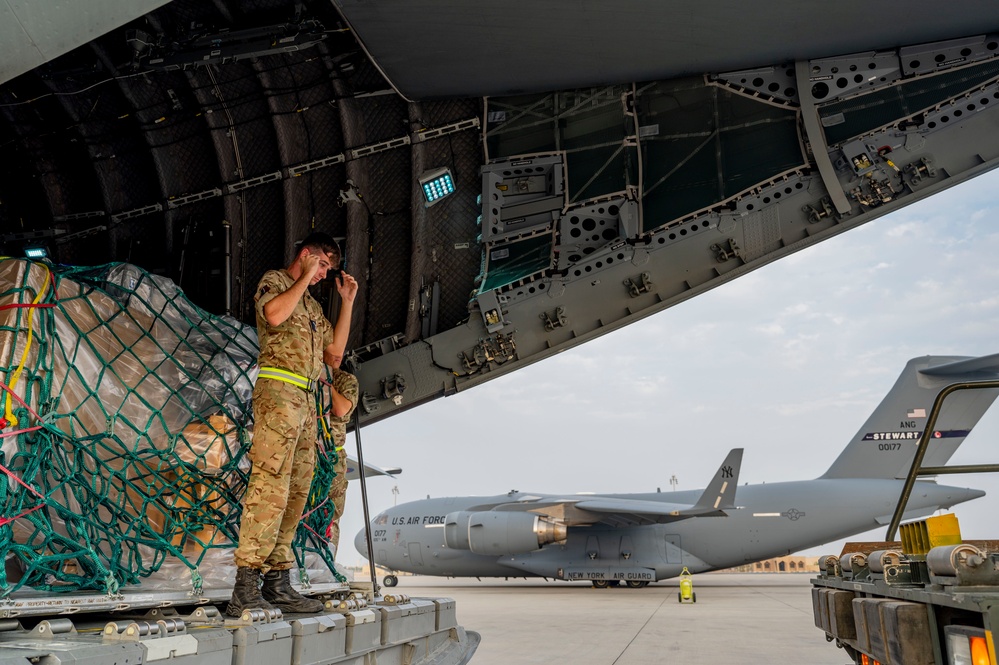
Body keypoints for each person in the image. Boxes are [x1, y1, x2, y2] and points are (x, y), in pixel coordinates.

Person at [228, 232, 357, 617]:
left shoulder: (314, 309)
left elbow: (333, 356)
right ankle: (245, 584)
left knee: (296, 489)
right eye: (321, 265)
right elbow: (273, 315)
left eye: (327, 270)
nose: (322, 275)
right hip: (278, 392)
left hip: (305, 402)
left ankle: (278, 580)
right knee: (269, 484)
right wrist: (304, 276)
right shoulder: (277, 282)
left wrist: (346, 303)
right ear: (305, 256)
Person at [324, 368, 358, 560]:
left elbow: (341, 409)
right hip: (304, 453)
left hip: (332, 458)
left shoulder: (344, 380)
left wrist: (324, 383)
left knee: (330, 514)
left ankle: (326, 562)